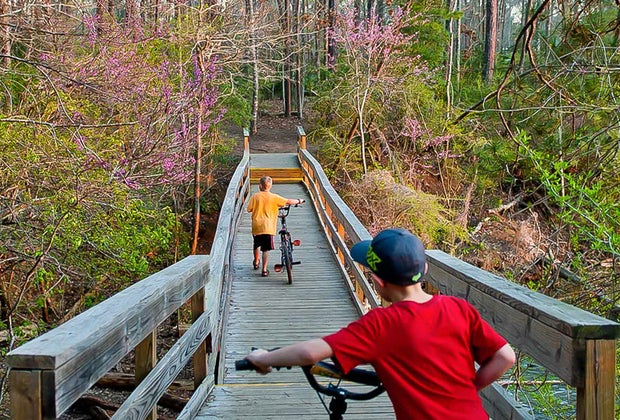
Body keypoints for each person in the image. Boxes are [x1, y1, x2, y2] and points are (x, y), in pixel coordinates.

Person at [243, 227, 516, 419]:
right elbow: (505, 356)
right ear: (425, 270)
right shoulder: (458, 308)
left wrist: (265, 357)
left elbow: (309, 354)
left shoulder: (382, 324)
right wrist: (468, 388)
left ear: (377, 281)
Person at [247, 175, 304, 277]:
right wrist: (299, 201)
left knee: (256, 245)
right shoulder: (274, 197)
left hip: (257, 226)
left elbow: (249, 209)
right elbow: (288, 201)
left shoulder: (255, 196)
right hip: (268, 227)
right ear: (270, 186)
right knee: (265, 249)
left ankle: (256, 262)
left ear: (260, 186)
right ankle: (264, 270)